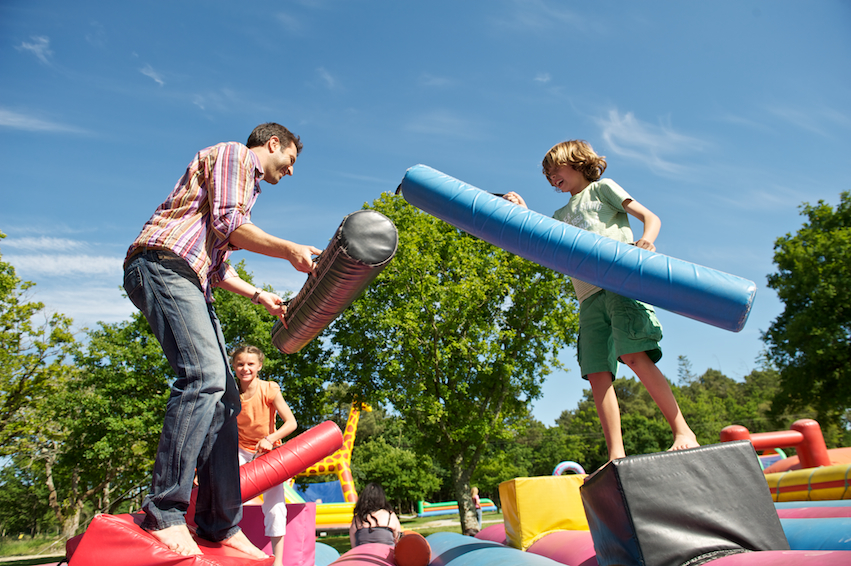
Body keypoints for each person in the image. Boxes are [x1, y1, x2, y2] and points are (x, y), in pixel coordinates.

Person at [123, 123, 322, 557]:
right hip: (163, 264)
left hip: (194, 276)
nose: (290, 173)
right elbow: (232, 225)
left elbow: (218, 266)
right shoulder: (235, 155)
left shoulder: (244, 187)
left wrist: (259, 295)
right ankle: (165, 511)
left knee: (227, 398)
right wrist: (289, 249)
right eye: (290, 161)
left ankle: (220, 523)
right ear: (274, 144)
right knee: (204, 377)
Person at [503, 139, 699, 467]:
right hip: (587, 296)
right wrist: (521, 213)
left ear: (578, 161)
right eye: (547, 174)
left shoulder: (602, 189)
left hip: (619, 282)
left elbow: (649, 216)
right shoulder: (558, 215)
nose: (551, 177)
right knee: (596, 372)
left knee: (634, 355)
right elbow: (541, 242)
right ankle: (615, 455)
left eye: (556, 168)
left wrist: (646, 240)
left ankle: (683, 432)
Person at [233, 344, 297, 566]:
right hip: (241, 451)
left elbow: (291, 423)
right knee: (228, 496)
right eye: (240, 364)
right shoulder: (231, 394)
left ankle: (278, 560)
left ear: (259, 366)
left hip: (268, 452)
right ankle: (231, 549)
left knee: (275, 504)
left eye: (250, 364)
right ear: (234, 366)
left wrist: (269, 439)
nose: (245, 368)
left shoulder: (269, 389)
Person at [349, 483, 402, 548]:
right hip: (386, 556)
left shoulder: (357, 519)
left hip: (362, 556)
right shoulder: (390, 516)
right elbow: (399, 541)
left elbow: (353, 546)